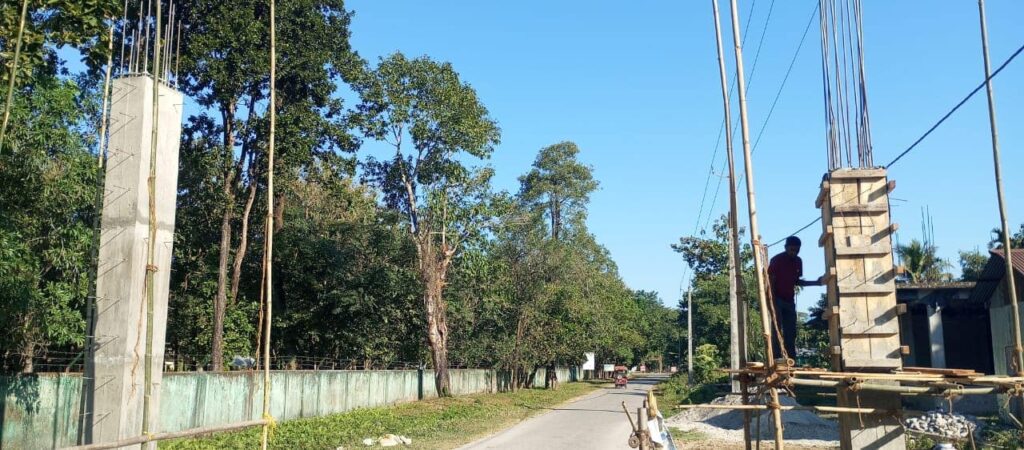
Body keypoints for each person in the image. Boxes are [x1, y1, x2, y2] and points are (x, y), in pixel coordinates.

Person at [767, 236, 827, 362]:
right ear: (786, 248)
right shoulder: (776, 260)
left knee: (791, 331)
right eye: (792, 250)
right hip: (777, 299)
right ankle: (776, 359)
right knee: (777, 329)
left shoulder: (798, 261)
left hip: (789, 301)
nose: (794, 253)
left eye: (796, 250)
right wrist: (772, 303)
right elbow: (770, 282)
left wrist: (816, 283)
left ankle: (791, 359)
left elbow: (797, 282)